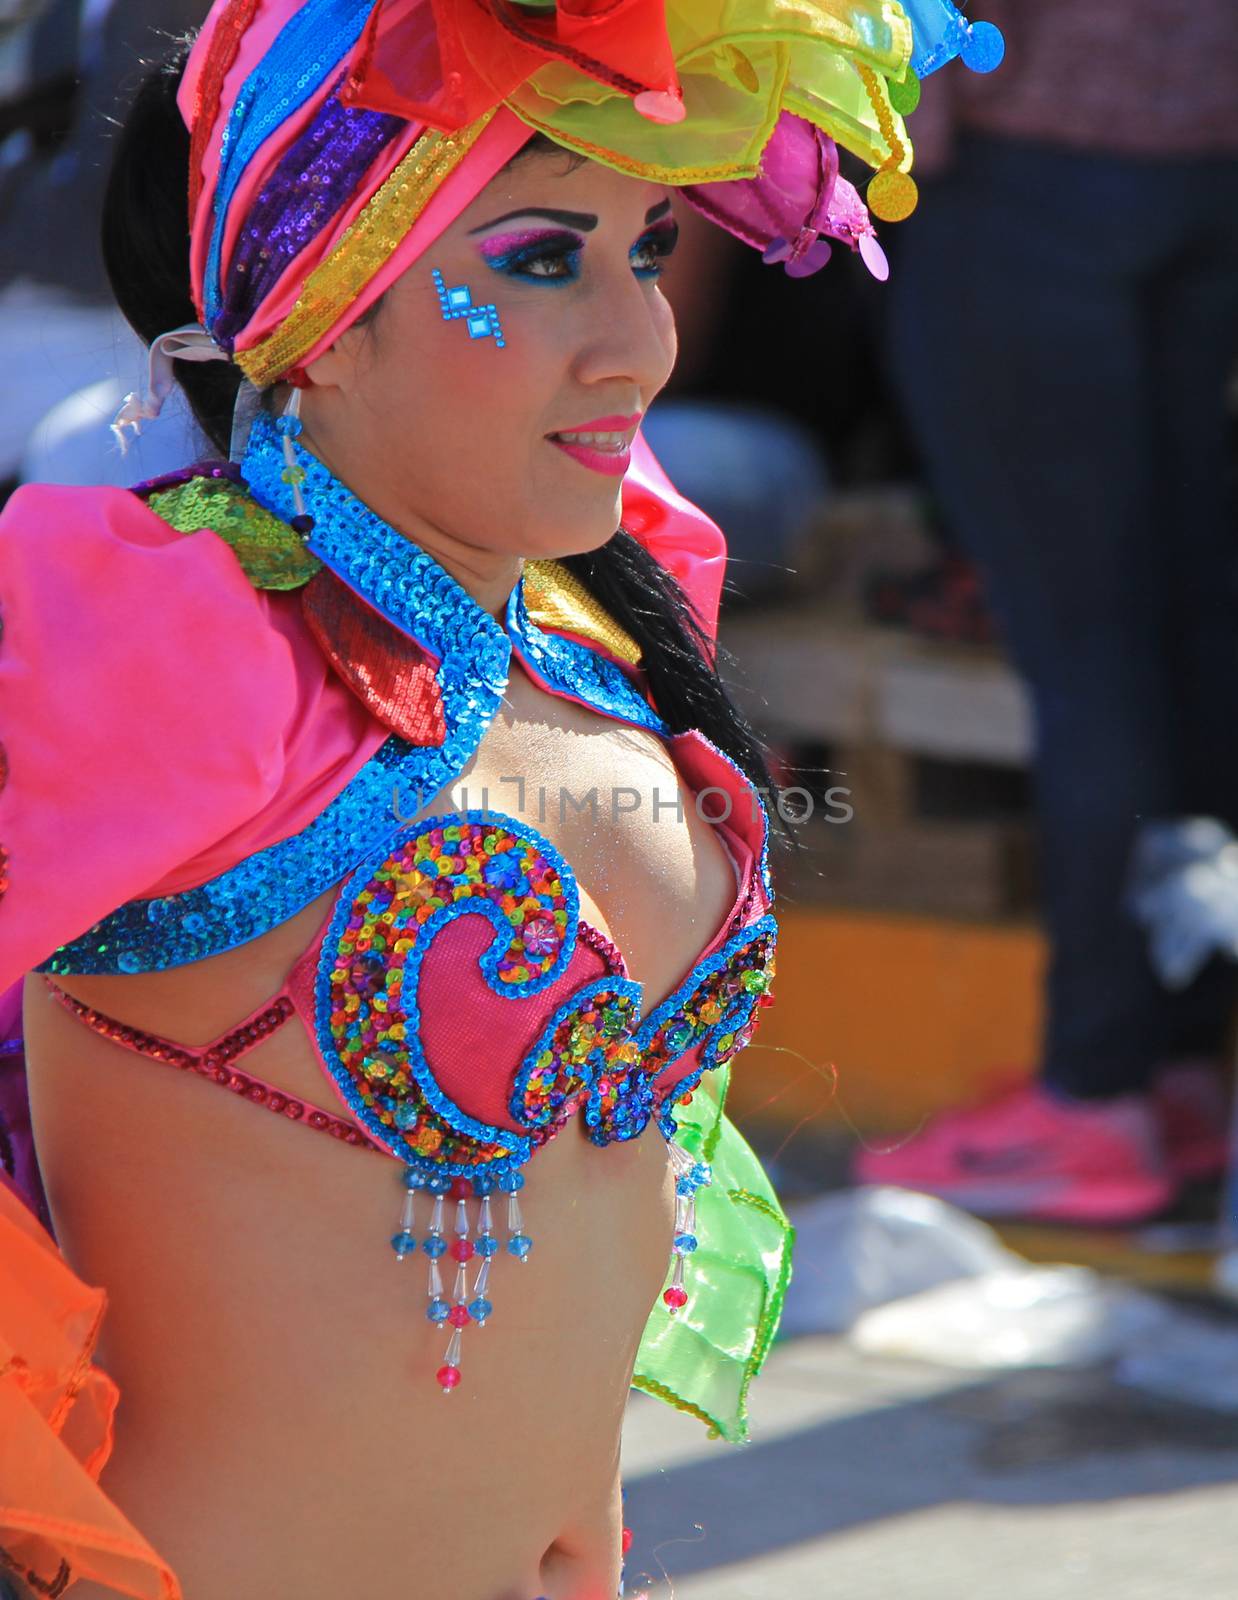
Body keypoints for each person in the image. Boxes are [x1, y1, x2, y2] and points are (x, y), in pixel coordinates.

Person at [0, 3, 1000, 1596]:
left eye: (651, 245)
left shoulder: (605, 604)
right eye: (542, 258)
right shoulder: (158, 629)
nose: (642, 340)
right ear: (327, 298)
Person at [855, 0, 1238, 1227]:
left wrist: (899, 120)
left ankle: (1093, 1092)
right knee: (1186, 631)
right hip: (1206, 167)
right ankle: (1173, 1068)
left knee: (1090, 652)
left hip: (1027, 168)